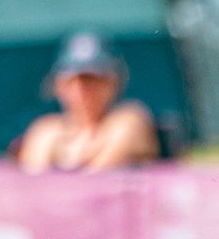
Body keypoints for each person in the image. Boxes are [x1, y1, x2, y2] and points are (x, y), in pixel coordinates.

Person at [17, 32, 159, 173]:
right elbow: (34, 182)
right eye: (72, 80)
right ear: (58, 85)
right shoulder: (45, 131)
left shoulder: (130, 121)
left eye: (92, 79)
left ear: (113, 82)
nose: (81, 89)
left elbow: (98, 175)